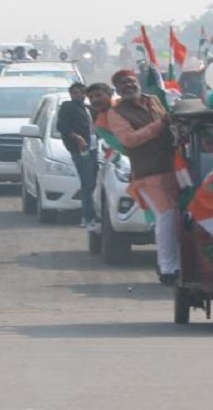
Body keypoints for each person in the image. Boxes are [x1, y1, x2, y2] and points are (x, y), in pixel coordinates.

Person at [107, 69, 180, 284]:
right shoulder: (117, 113)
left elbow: (170, 125)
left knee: (179, 218)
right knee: (165, 217)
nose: (128, 86)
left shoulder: (153, 100)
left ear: (137, 82)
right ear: (118, 90)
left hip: (173, 167)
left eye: (130, 81)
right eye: (122, 84)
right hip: (148, 173)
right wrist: (160, 125)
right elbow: (129, 140)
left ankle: (184, 264)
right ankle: (167, 268)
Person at [56, 83, 98, 230]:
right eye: (75, 93)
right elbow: (62, 127)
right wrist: (77, 138)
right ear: (70, 94)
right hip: (81, 151)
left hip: (94, 149)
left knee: (94, 183)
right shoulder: (68, 107)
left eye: (81, 92)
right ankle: (87, 218)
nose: (78, 95)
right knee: (87, 184)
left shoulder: (87, 108)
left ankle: (94, 215)